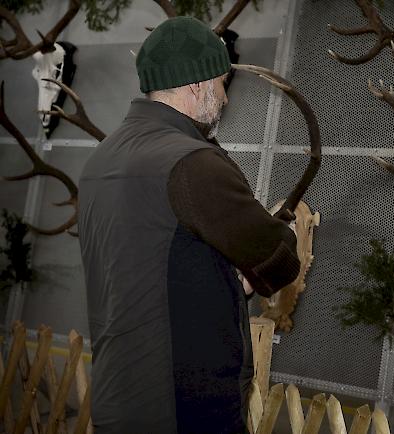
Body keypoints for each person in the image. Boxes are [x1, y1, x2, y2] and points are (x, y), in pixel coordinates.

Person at [78, 16, 300, 434]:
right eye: (220, 85)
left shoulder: (99, 161)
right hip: (185, 410)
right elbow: (281, 259)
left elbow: (157, 264)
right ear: (197, 85)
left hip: (115, 399)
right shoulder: (191, 162)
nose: (225, 99)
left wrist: (225, 276)